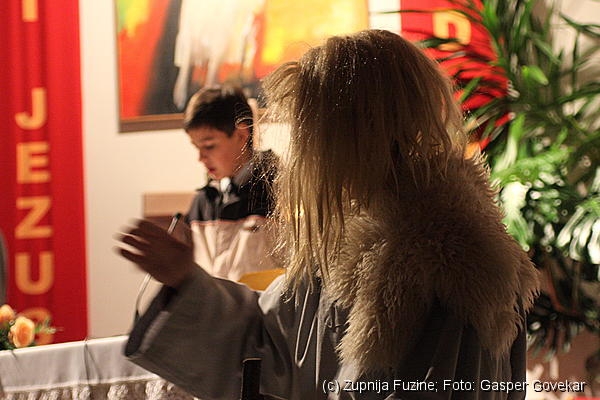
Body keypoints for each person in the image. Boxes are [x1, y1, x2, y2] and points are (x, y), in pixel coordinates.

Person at [117, 29, 539, 399]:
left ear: (356, 133)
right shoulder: (347, 239)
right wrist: (184, 280)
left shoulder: (451, 257)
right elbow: (269, 340)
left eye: (310, 133)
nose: (302, 156)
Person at [182, 84, 278, 281]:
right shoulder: (202, 202)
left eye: (209, 146)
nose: (201, 158)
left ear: (241, 135)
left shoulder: (279, 189)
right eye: (196, 147)